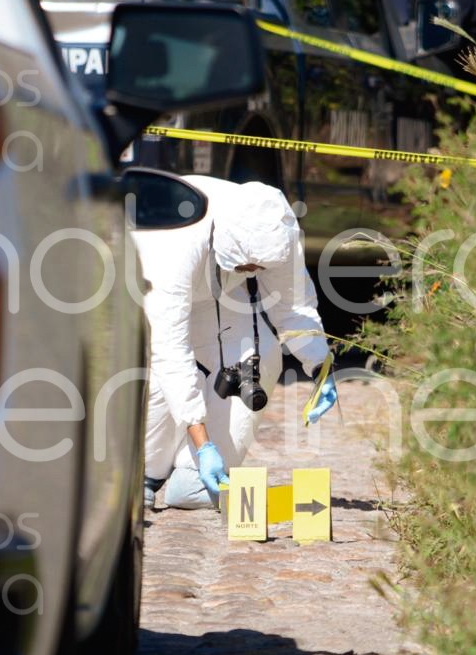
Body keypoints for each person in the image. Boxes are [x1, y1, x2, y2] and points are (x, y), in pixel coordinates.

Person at [133, 175, 337, 509]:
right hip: (159, 288)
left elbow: (292, 303)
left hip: (224, 290)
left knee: (262, 355)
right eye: (248, 265)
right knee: (160, 381)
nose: (256, 270)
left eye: (260, 267)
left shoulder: (275, 224)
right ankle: (146, 471)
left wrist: (320, 364)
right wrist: (203, 442)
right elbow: (170, 351)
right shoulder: (172, 246)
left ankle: (195, 476)